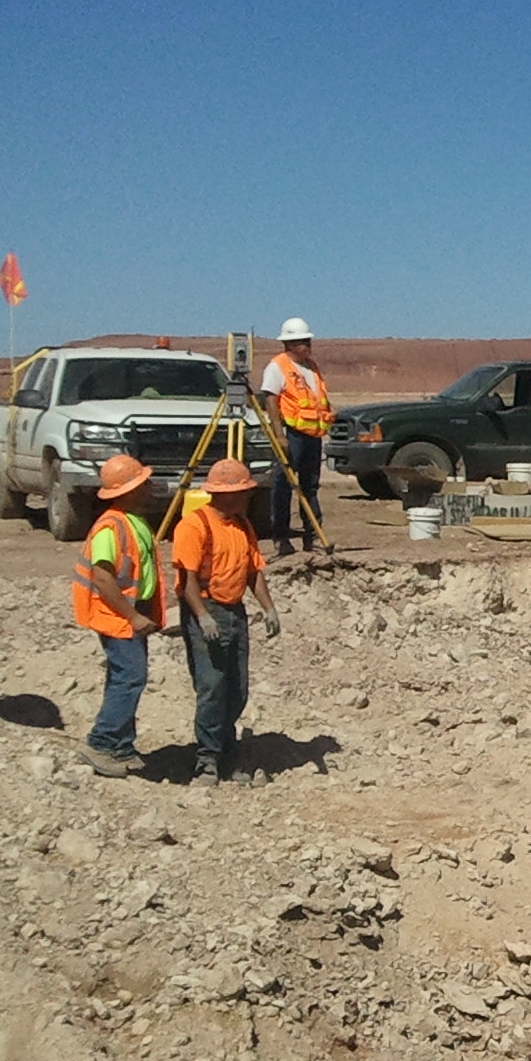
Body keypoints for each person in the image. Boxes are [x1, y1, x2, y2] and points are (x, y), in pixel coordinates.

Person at [174, 456, 280, 786]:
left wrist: (268, 607)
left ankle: (228, 750)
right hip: (205, 608)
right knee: (212, 686)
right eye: (244, 490)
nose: (249, 496)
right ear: (226, 493)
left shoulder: (242, 525)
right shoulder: (194, 526)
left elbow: (253, 572)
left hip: (234, 611)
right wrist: (203, 617)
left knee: (237, 687)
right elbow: (188, 579)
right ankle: (207, 760)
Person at [72, 454, 164, 776]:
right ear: (128, 490)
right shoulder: (109, 528)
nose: (150, 487)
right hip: (116, 614)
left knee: (123, 677)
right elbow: (103, 577)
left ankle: (121, 746)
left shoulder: (131, 520)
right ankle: (101, 742)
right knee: (130, 677)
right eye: (143, 483)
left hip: (129, 612)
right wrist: (133, 616)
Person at [261, 316, 331, 557]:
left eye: (308, 340)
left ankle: (313, 536)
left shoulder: (311, 366)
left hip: (312, 435)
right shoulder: (277, 366)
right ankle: (281, 538)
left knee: (310, 486)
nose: (308, 345)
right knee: (283, 485)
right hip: (291, 434)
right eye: (303, 341)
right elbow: (270, 400)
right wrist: (279, 435)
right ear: (289, 344)